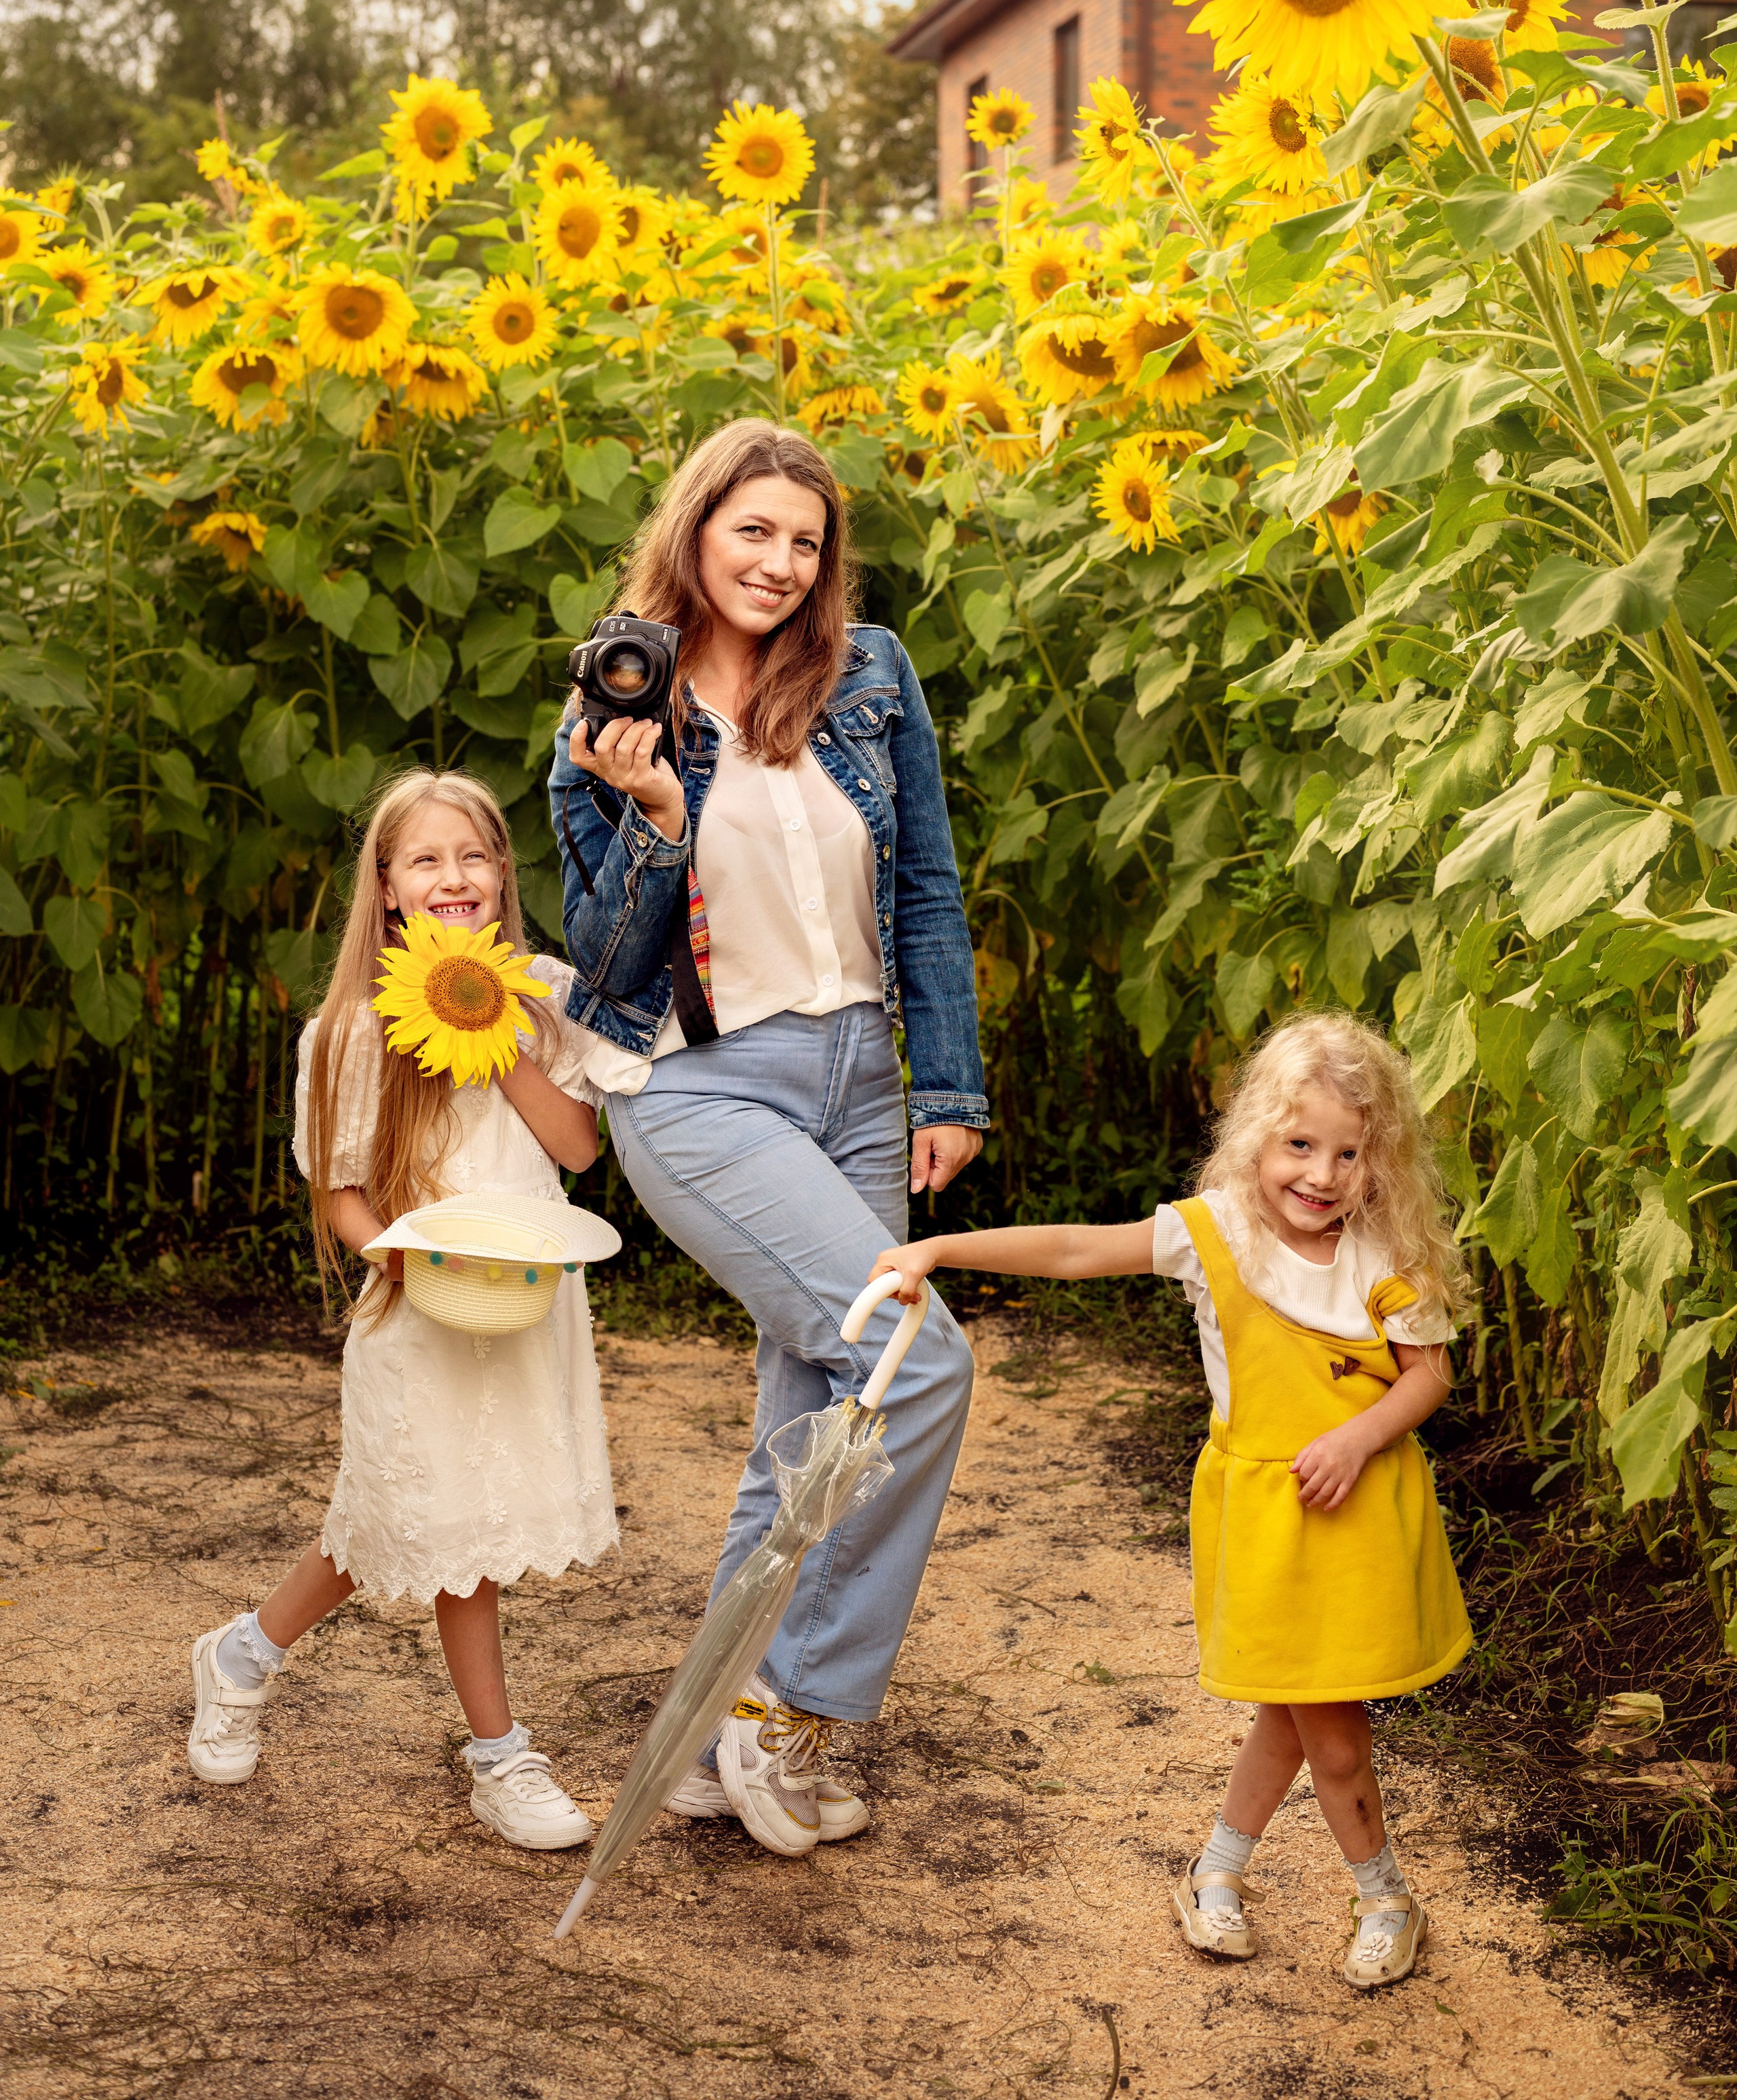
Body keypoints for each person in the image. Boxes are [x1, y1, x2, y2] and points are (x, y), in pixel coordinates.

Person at [547, 417, 987, 1859]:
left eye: (804, 542)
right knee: (916, 1362)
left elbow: (920, 882)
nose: (780, 565)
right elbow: (602, 956)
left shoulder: (867, 675)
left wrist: (946, 1087)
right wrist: (656, 817)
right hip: (696, 1083)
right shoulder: (609, 713)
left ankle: (700, 1737)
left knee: (809, 1427)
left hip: (861, 1073)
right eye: (753, 532)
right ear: (695, 529)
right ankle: (793, 1711)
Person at [869, 1010, 1471, 1990]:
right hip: (1266, 1514)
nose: (1321, 1175)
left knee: (1316, 1718)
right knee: (1312, 1714)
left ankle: (1291, 1882)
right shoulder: (1215, 1233)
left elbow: (1428, 1375)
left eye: (1350, 1153)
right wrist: (940, 1252)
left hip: (1359, 1510)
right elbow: (1074, 1251)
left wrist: (1358, 1436)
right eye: (1299, 1144)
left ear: (1381, 1157)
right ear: (1257, 1140)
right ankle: (1351, 1886)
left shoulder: (1387, 1251)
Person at [186, 771, 617, 1850]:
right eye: (426, 860)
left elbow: (574, 1148)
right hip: (418, 1302)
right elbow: (338, 1188)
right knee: (449, 1534)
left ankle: (242, 1651)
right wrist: (405, 1263)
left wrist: (504, 1024)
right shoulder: (347, 1029)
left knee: (398, 1522)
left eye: (473, 857)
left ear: (502, 878)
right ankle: (500, 1757)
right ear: (387, 890)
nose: (454, 878)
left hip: (524, 1295)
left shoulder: (547, 992)